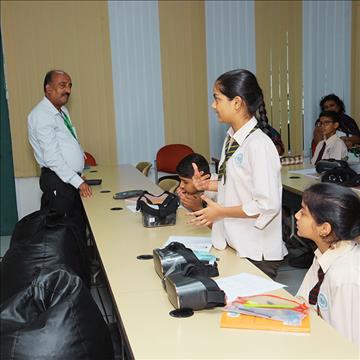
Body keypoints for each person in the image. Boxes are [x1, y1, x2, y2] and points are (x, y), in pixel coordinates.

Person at [188, 69, 288, 280]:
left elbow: (266, 204)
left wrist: (221, 212)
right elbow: (235, 183)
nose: (213, 105)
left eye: (217, 98)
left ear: (236, 103)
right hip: (235, 241)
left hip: (255, 250)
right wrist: (206, 185)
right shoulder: (232, 139)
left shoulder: (259, 145)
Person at [295, 183, 360, 346]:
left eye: (303, 213)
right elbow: (302, 303)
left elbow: (348, 346)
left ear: (324, 228)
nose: (296, 215)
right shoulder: (324, 256)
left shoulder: (345, 277)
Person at [28, 70, 92, 217]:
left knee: (76, 227)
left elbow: (68, 141)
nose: (68, 90)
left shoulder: (62, 111)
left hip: (67, 179)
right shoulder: (41, 115)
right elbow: (52, 158)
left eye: (70, 86)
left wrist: (78, 174)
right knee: (62, 232)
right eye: (63, 85)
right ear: (48, 89)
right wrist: (77, 181)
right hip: (57, 180)